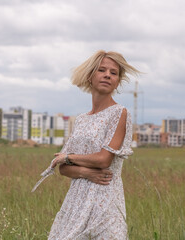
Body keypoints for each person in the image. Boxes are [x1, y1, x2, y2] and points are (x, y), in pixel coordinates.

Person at [48, 50, 140, 240]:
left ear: (117, 81)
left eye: (113, 73)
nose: (107, 75)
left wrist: (68, 157)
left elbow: (103, 160)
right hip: (76, 201)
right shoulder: (81, 119)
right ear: (90, 76)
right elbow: (63, 169)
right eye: (102, 70)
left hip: (104, 197)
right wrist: (84, 172)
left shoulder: (119, 113)